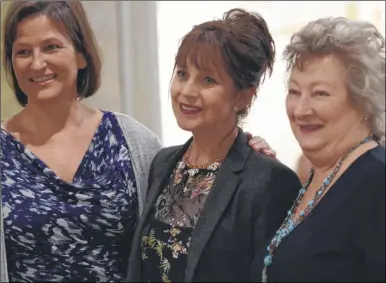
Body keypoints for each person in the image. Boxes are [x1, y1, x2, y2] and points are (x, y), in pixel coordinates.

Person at [0, 2, 273, 282]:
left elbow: (204, 188)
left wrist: (248, 151)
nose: (36, 63)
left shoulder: (134, 142)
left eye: (51, 47)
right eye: (23, 52)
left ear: (82, 54)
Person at [127, 8, 302, 282]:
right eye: (182, 74)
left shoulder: (269, 181)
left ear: (243, 97)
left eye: (208, 80)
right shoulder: (162, 163)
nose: (187, 91)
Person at [252, 17, 385, 282]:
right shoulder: (316, 176)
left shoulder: (379, 181)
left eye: (320, 93)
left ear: (364, 102)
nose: (301, 110)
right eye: (295, 91)